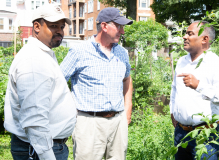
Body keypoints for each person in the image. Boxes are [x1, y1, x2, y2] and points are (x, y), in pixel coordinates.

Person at [4, 4, 76, 160]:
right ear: (37, 26)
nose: (60, 31)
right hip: (40, 150)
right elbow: (34, 120)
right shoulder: (33, 60)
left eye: (62, 27)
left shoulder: (42, 54)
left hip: (43, 147)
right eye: (53, 26)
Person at [60, 7, 133, 160]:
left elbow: (127, 79)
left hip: (118, 122)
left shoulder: (122, 53)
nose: (122, 31)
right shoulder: (79, 51)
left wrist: (127, 110)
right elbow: (58, 81)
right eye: (119, 26)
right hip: (89, 124)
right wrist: (70, 108)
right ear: (105, 26)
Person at [170, 21, 219, 160]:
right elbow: (174, 89)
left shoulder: (217, 65)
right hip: (181, 133)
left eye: (190, 33)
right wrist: (172, 110)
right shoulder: (181, 61)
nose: (184, 37)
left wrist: (199, 86)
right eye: (186, 33)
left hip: (205, 136)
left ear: (204, 39)